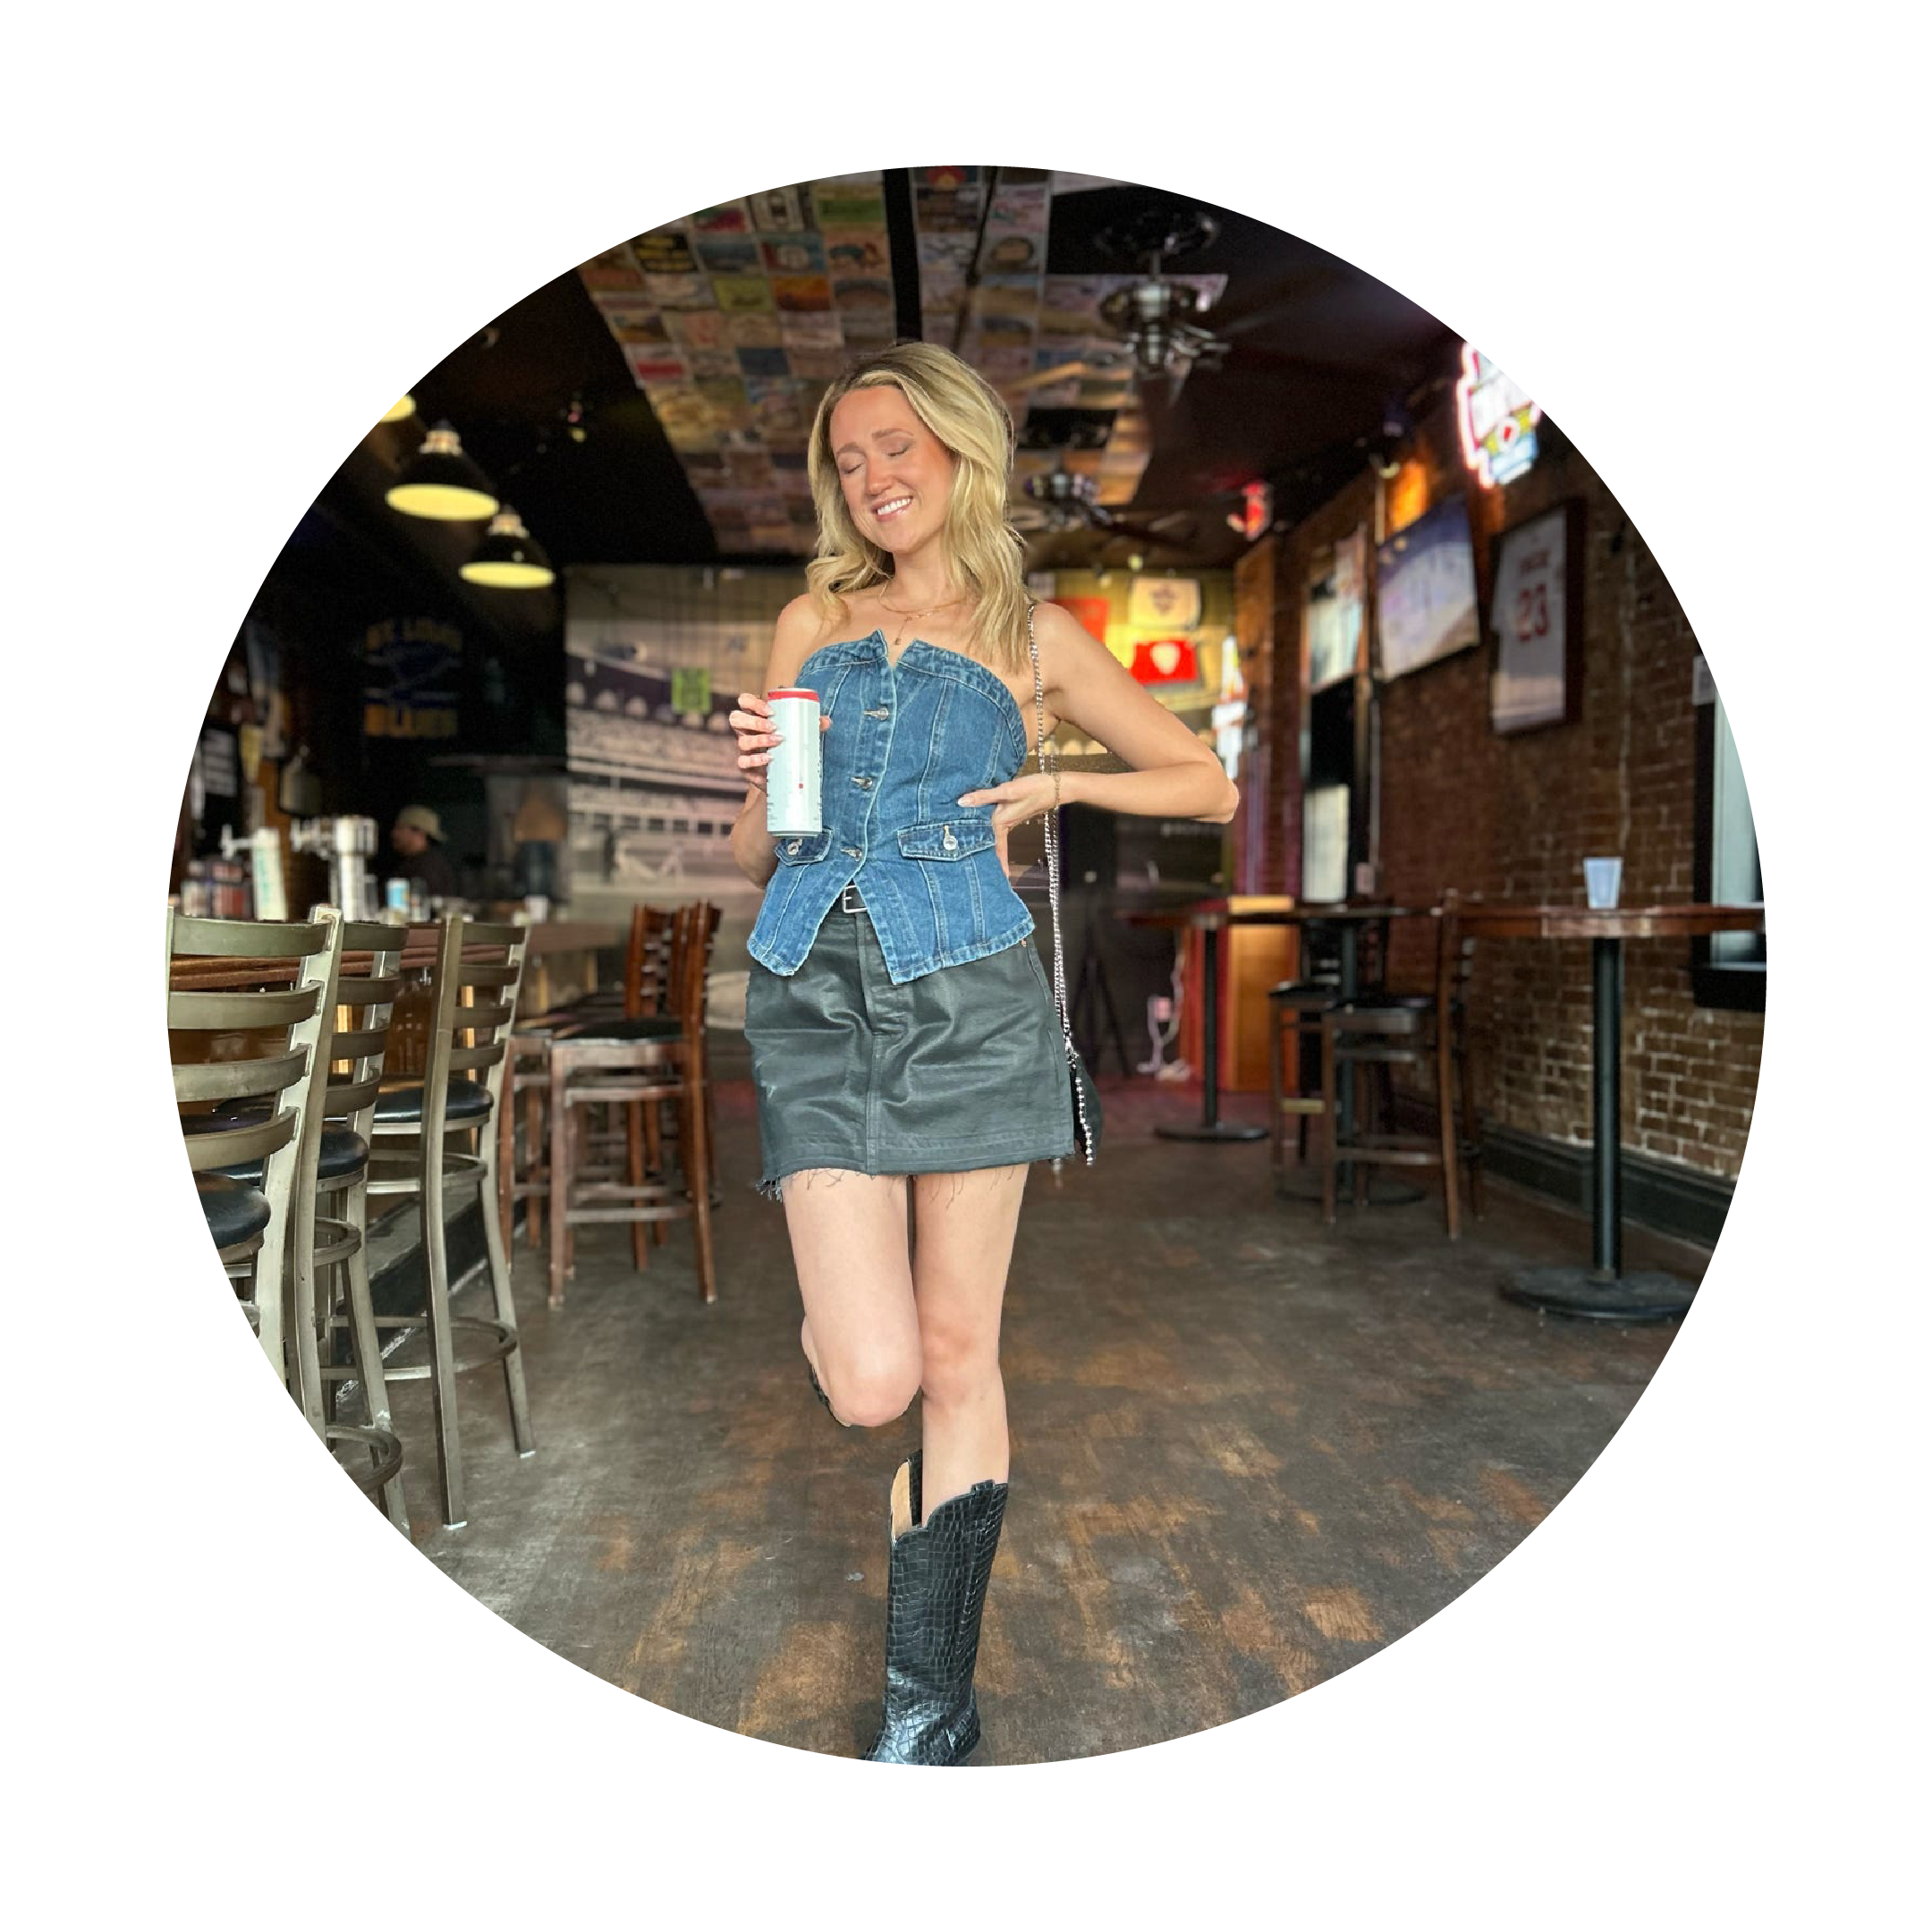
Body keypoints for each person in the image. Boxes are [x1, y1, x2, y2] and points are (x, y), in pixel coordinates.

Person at [730, 343, 1238, 1764]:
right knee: (872, 1379)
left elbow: (1206, 779)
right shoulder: (806, 619)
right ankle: (841, 1316)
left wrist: (1051, 782)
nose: (874, 479)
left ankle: (927, 1707)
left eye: (896, 447)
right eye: (849, 460)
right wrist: (751, 787)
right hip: (816, 989)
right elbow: (763, 840)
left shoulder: (1040, 638)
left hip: (971, 995)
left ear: (957, 450)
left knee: (960, 1356)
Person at [388, 804, 461, 902]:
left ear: (419, 832)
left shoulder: (427, 866)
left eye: (400, 828)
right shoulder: (415, 861)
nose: (394, 833)